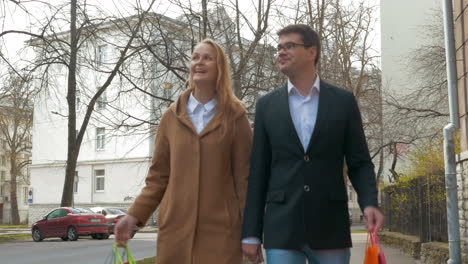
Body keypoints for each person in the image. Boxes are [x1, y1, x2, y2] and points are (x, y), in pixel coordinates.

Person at [241, 24, 384, 264]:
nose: (281, 52)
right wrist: (251, 232)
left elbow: (359, 162)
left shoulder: (343, 102)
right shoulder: (266, 106)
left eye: (289, 46)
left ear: (312, 52)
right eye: (279, 48)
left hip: (330, 226)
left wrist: (369, 202)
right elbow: (258, 173)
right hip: (282, 229)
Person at [114, 39, 253, 264]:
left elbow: (244, 180)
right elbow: (158, 178)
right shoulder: (171, 117)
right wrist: (133, 216)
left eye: (207, 58)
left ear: (220, 68)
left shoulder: (236, 117)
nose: (199, 62)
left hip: (221, 234)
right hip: (175, 233)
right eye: (195, 57)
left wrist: (251, 232)